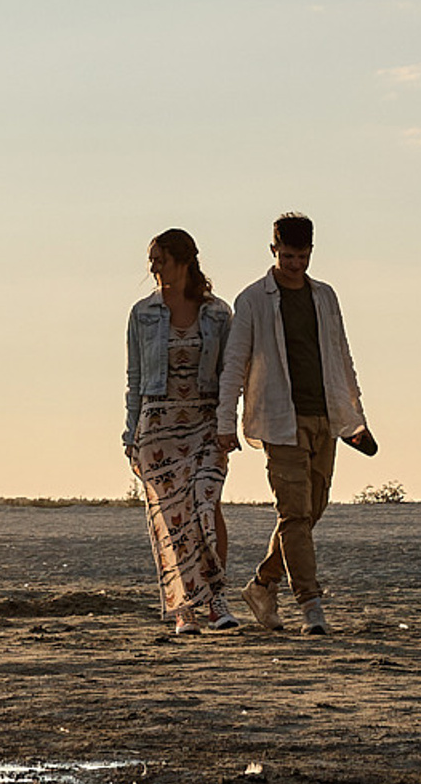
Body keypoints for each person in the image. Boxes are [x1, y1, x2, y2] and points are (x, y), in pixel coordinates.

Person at [217, 212, 369, 635]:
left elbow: (342, 357)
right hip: (278, 420)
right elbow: (234, 364)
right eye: (287, 256)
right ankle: (311, 607)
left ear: (311, 252)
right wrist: (224, 421)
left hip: (327, 417)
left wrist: (357, 418)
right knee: (295, 515)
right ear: (273, 250)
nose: (295, 264)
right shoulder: (252, 300)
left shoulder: (325, 296)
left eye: (301, 256)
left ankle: (263, 583)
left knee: (311, 510)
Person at [123, 228, 241, 634]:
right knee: (173, 519)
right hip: (158, 426)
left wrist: (228, 424)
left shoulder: (218, 313)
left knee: (206, 506)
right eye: (152, 260)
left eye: (161, 259)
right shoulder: (142, 314)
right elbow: (135, 377)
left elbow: (230, 375)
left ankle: (217, 598)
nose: (154, 267)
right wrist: (129, 434)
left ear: (183, 261)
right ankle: (184, 609)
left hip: (205, 422)